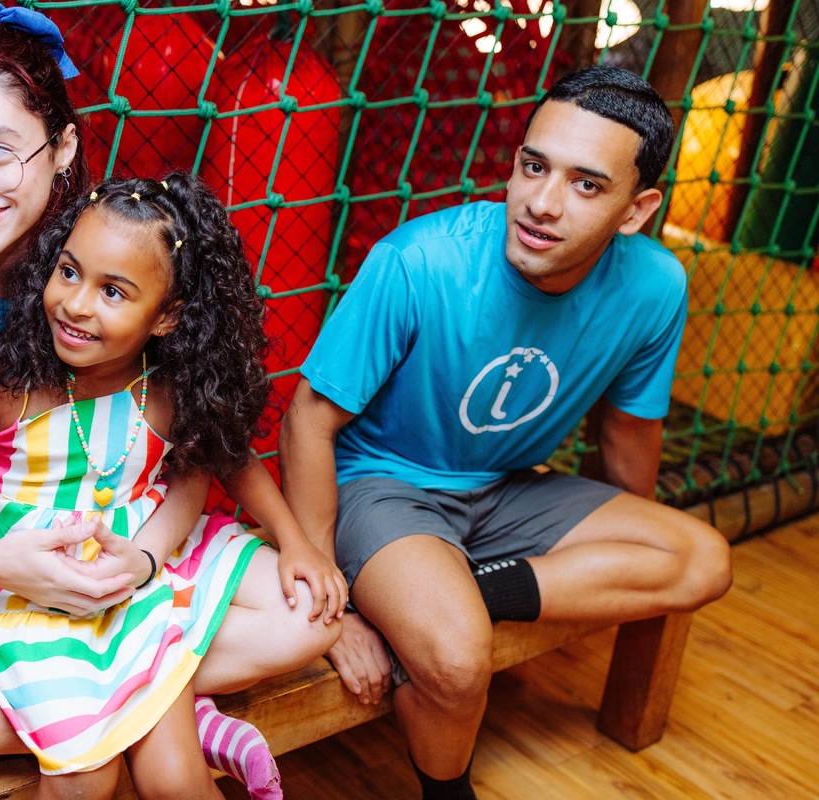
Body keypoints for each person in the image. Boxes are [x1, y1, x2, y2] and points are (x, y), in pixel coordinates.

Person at [0, 2, 341, 794]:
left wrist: (144, 556)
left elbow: (192, 435)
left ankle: (74, 708)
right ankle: (124, 704)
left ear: (63, 145)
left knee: (300, 619)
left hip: (106, 540)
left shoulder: (120, 247)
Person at [279, 65, 733, 799]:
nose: (543, 204)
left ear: (636, 209)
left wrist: (622, 549)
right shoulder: (418, 260)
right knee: (457, 663)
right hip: (386, 485)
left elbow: (627, 436)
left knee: (700, 559)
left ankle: (461, 596)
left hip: (508, 490)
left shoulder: (655, 286)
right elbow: (306, 421)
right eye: (534, 166)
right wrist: (332, 608)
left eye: (586, 185)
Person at [0, 172, 345, 800]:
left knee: (307, 626)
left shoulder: (168, 383)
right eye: (70, 272)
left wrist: (293, 541)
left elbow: (212, 462)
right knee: (90, 782)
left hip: (146, 565)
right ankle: (165, 702)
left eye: (114, 291)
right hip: (41, 593)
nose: (76, 304)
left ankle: (158, 698)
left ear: (166, 317)